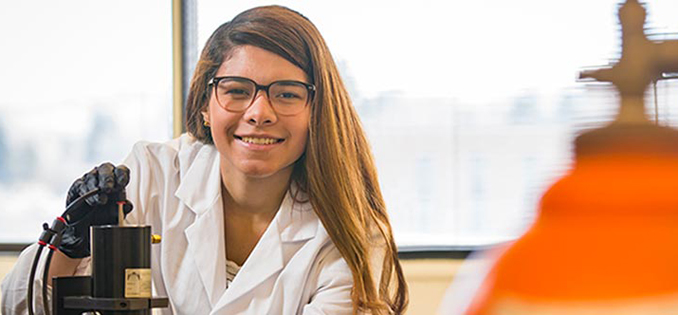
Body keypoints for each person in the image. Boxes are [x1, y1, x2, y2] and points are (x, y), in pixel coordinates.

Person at [1, 5, 408, 314]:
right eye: (236, 90)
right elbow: (17, 306)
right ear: (204, 106)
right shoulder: (151, 176)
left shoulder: (350, 231)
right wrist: (67, 247)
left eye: (286, 93)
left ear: (317, 112)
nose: (259, 112)